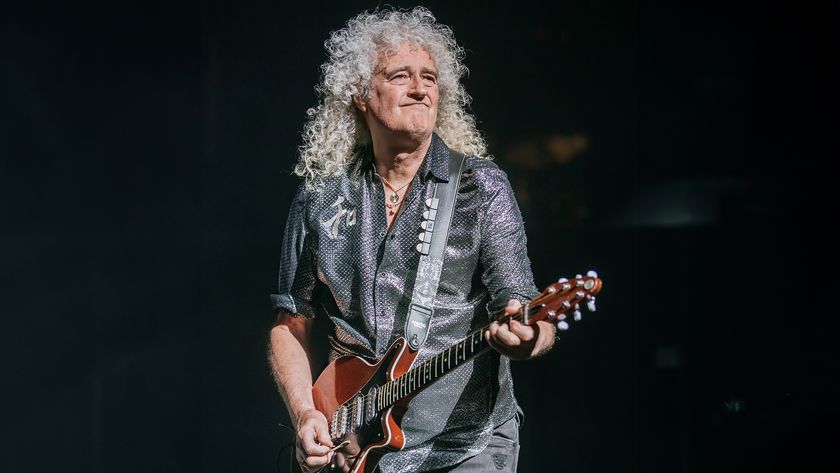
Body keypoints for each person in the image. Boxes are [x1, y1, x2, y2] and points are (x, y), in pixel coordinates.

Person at [268, 7, 556, 473]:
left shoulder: (479, 187)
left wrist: (529, 337)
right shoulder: (320, 196)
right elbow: (291, 323)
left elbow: (523, 305)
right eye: (400, 75)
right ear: (360, 94)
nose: (421, 89)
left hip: (467, 444)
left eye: (429, 78)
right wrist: (306, 414)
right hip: (355, 443)